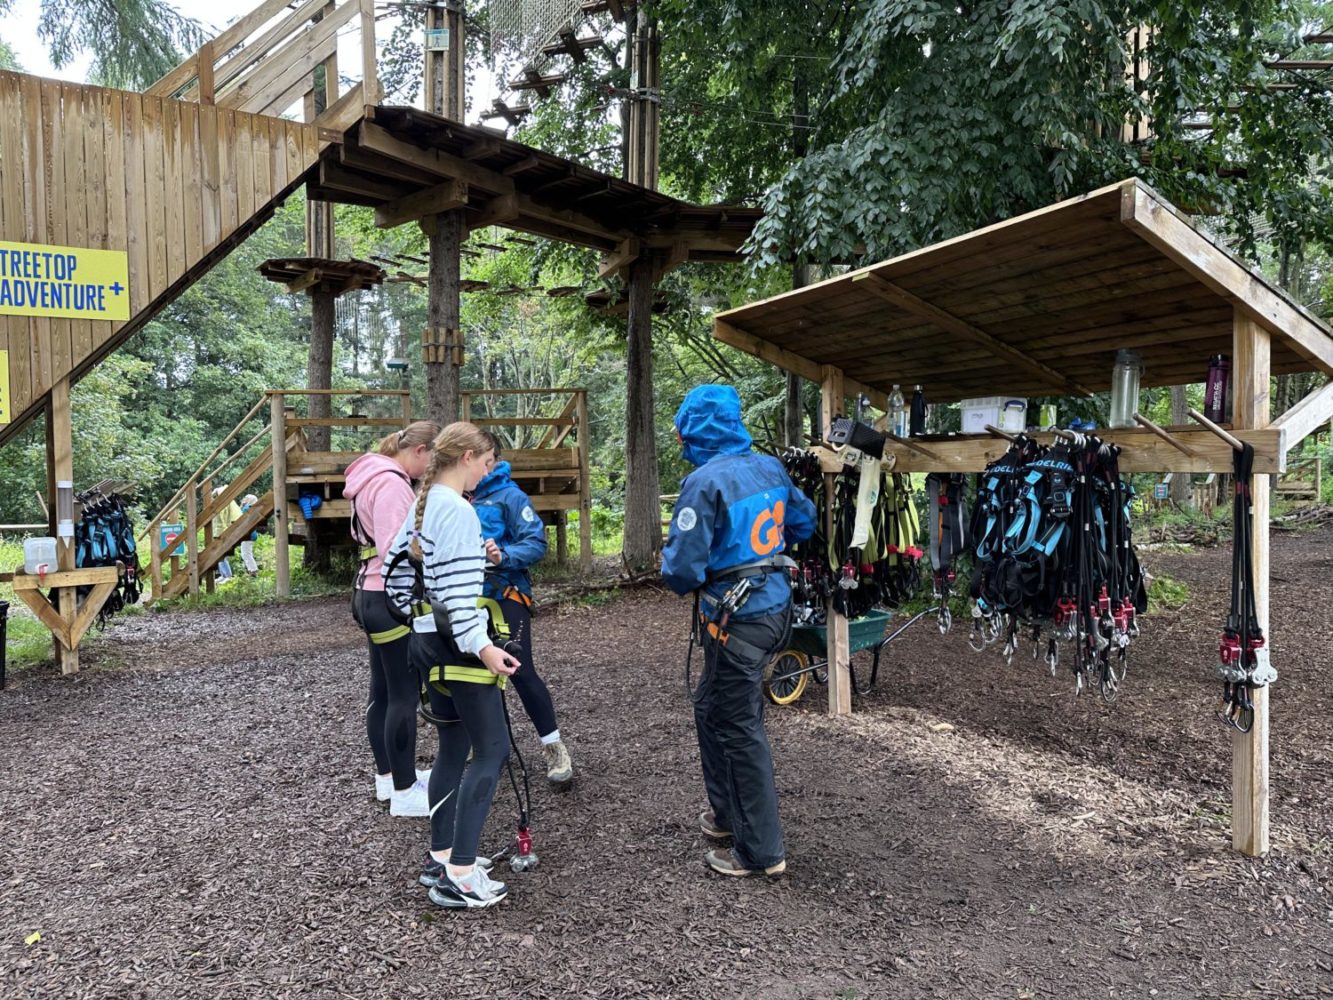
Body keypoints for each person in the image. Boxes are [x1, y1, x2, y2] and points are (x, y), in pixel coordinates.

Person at [661, 384, 817, 879]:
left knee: (739, 727)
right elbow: (804, 522)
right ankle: (728, 814)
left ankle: (761, 853)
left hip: (737, 620)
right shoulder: (769, 468)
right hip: (774, 608)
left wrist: (717, 561)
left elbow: (681, 571)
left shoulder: (703, 483)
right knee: (711, 707)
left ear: (693, 430)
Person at [383, 421, 521, 909]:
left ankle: (441, 856)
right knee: (492, 750)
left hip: (428, 641)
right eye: (486, 463)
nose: (486, 473)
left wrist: (422, 618)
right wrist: (485, 648)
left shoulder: (424, 507)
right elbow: (462, 603)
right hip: (461, 648)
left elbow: (395, 576)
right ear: (466, 457)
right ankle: (460, 875)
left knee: (453, 747)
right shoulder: (459, 511)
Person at [344, 420, 441, 817]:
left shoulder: (371, 476)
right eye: (433, 461)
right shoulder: (391, 484)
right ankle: (404, 791)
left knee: (383, 692)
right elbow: (398, 550)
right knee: (403, 694)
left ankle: (388, 778)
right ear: (419, 451)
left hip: (370, 593)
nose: (431, 471)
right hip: (389, 598)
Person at [471, 431, 574, 787]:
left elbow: (536, 543)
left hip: (505, 594)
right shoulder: (456, 496)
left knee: (520, 669)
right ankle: (489, 747)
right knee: (473, 672)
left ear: (495, 459)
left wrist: (503, 556)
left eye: (486, 460)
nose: (482, 468)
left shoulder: (511, 497)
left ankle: (554, 747)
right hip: (466, 599)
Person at [211, 486, 242, 580]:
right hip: (221, 530)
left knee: (220, 555)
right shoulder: (228, 503)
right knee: (220, 555)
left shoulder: (225, 503)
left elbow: (229, 518)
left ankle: (227, 575)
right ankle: (224, 575)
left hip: (222, 531)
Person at [238, 493, 261, 576]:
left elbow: (239, 516)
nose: (244, 499)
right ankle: (251, 570)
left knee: (245, 554)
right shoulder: (253, 508)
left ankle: (253, 571)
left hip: (248, 534)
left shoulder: (247, 508)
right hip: (251, 534)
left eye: (246, 498)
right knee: (246, 553)